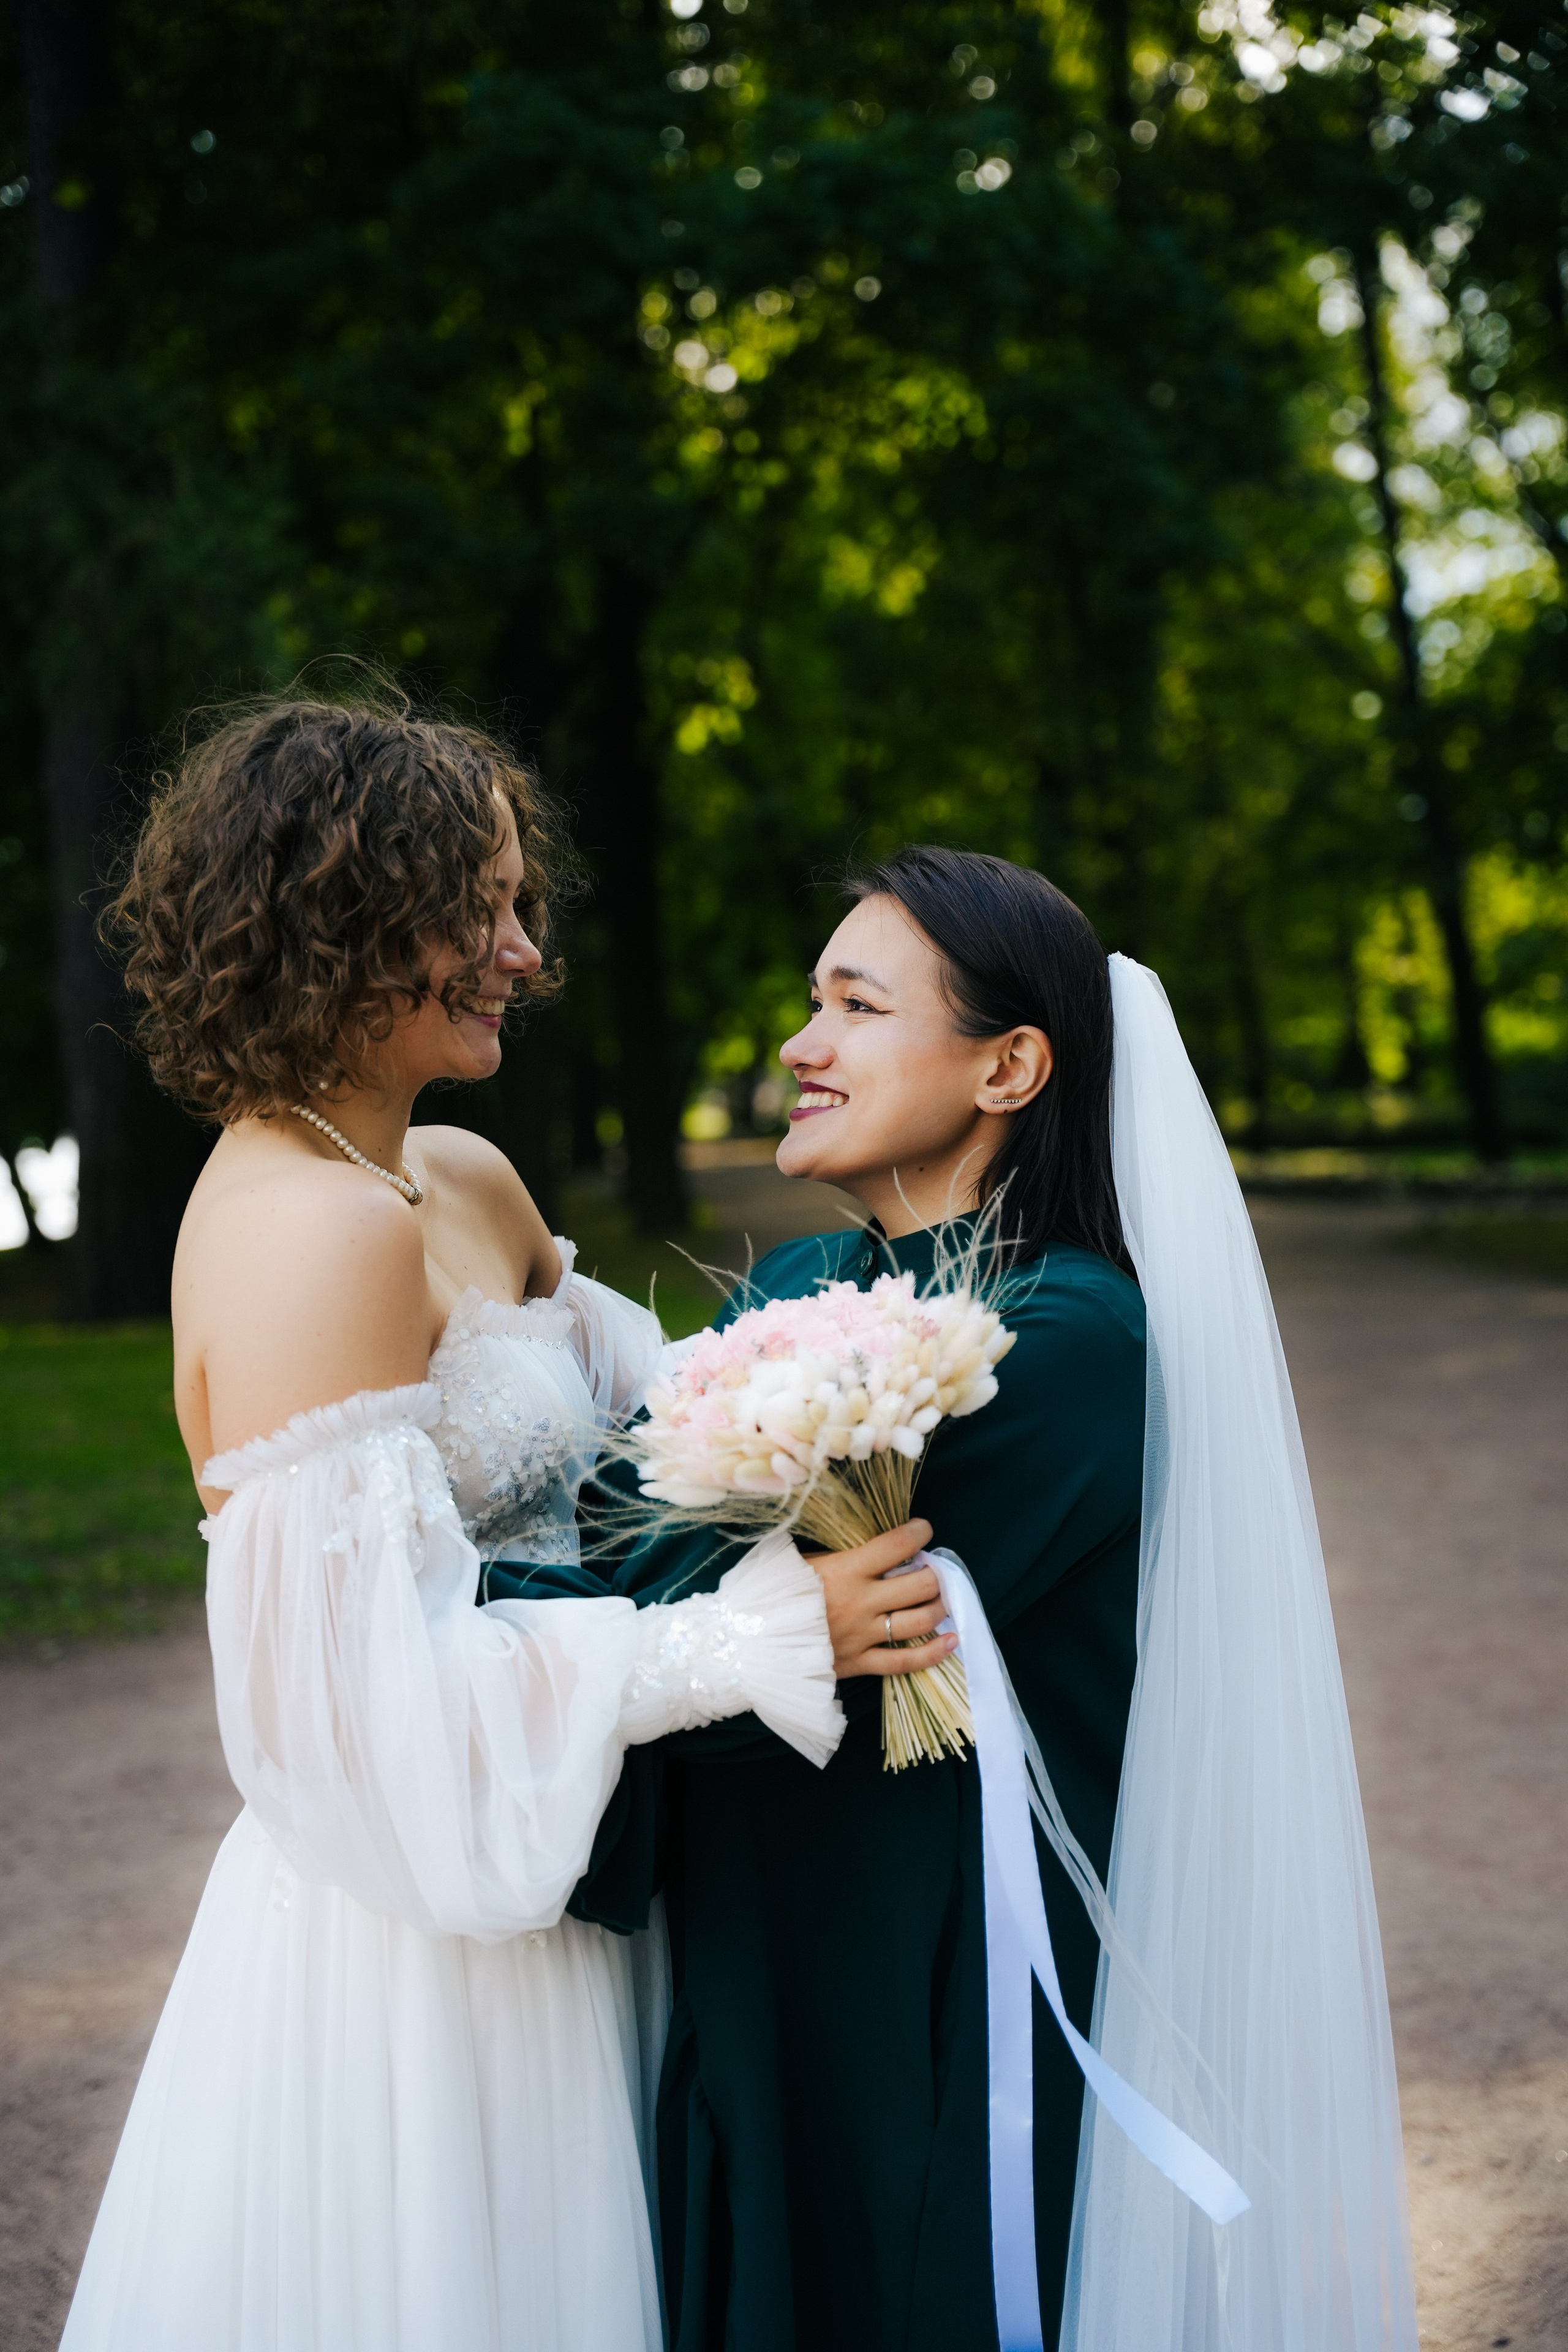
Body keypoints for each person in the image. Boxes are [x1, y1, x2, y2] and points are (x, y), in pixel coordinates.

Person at [58, 692, 946, 2352]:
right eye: (486, 909)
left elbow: (682, 1415)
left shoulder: (453, 1174)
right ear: (350, 912)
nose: (527, 952)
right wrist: (764, 1637)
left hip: (573, 1868)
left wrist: (890, 1345)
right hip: (425, 1958)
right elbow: (358, 1720)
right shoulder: (304, 1236)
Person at [581, 846, 1416, 2352]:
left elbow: (675, 1595)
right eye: (809, 1000)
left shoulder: (1068, 1336)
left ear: (1009, 1065)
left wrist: (621, 1619)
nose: (798, 1042)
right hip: (764, 1950)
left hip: (927, 1988)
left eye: (854, 1003)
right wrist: (653, 1604)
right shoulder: (801, 1288)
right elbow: (628, 1554)